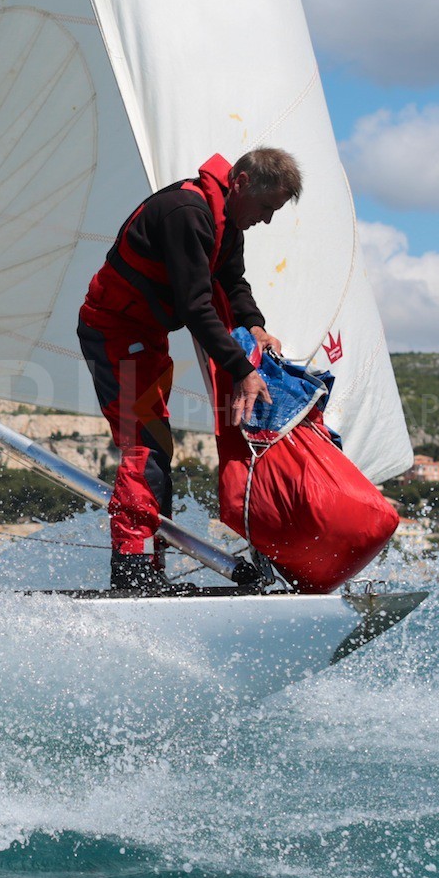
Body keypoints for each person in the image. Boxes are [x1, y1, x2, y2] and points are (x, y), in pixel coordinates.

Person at [77, 147, 302, 589]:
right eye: (266, 208)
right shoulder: (186, 212)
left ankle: (149, 571)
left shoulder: (228, 225)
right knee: (144, 449)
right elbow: (196, 306)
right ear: (238, 184)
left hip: (146, 341)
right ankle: (133, 572)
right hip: (115, 335)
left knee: (158, 449)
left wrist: (254, 327)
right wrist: (241, 370)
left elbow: (232, 283)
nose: (268, 220)